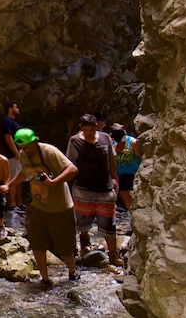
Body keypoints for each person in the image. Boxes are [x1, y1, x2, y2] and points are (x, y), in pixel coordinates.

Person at [1, 128, 79, 287]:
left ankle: (72, 272)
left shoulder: (49, 152)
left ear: (35, 141)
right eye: (22, 148)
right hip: (37, 207)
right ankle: (45, 279)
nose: (26, 150)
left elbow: (72, 169)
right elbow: (25, 172)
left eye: (28, 146)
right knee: (37, 243)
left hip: (60, 207)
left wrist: (54, 182)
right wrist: (9, 185)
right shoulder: (23, 155)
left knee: (64, 245)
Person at [66, 114, 123, 266]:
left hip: (105, 187)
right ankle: (85, 242)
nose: (90, 133)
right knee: (82, 220)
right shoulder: (75, 141)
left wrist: (114, 177)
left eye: (92, 130)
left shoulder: (105, 138)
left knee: (109, 222)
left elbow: (111, 158)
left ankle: (113, 254)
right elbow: (70, 163)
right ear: (81, 128)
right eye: (86, 130)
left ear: (96, 126)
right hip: (83, 188)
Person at [109, 124, 142, 210]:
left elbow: (141, 156)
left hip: (133, 174)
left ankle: (135, 211)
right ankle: (130, 211)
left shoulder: (132, 142)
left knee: (133, 194)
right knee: (125, 195)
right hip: (120, 174)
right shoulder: (113, 143)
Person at [0, 101, 24, 211]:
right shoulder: (7, 121)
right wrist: (15, 152)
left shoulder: (15, 123)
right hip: (12, 155)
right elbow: (8, 137)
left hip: (20, 155)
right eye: (16, 107)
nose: (18, 109)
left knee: (20, 178)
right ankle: (12, 205)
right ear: (10, 109)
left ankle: (19, 203)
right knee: (14, 178)